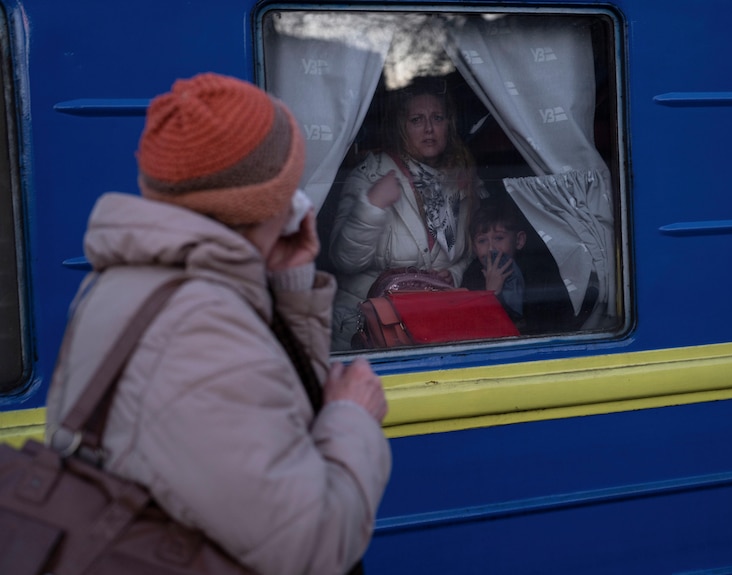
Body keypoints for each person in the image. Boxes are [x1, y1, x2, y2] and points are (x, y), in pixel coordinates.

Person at [44, 73, 391, 575]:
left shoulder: (137, 283)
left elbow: (275, 420)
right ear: (273, 199)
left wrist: (289, 286)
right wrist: (352, 417)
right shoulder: (201, 328)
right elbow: (310, 547)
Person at [328, 77, 487, 350]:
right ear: (400, 127)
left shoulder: (461, 177)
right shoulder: (372, 175)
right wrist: (372, 206)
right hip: (367, 330)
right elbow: (344, 260)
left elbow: (475, 242)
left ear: (449, 123)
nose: (428, 129)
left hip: (432, 327)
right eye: (416, 120)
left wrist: (455, 272)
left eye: (437, 117)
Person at [461, 198, 598, 335]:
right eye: (482, 241)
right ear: (474, 247)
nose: (491, 248)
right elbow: (474, 328)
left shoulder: (538, 273)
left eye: (499, 238)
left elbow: (548, 324)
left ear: (519, 241)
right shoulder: (473, 276)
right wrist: (491, 294)